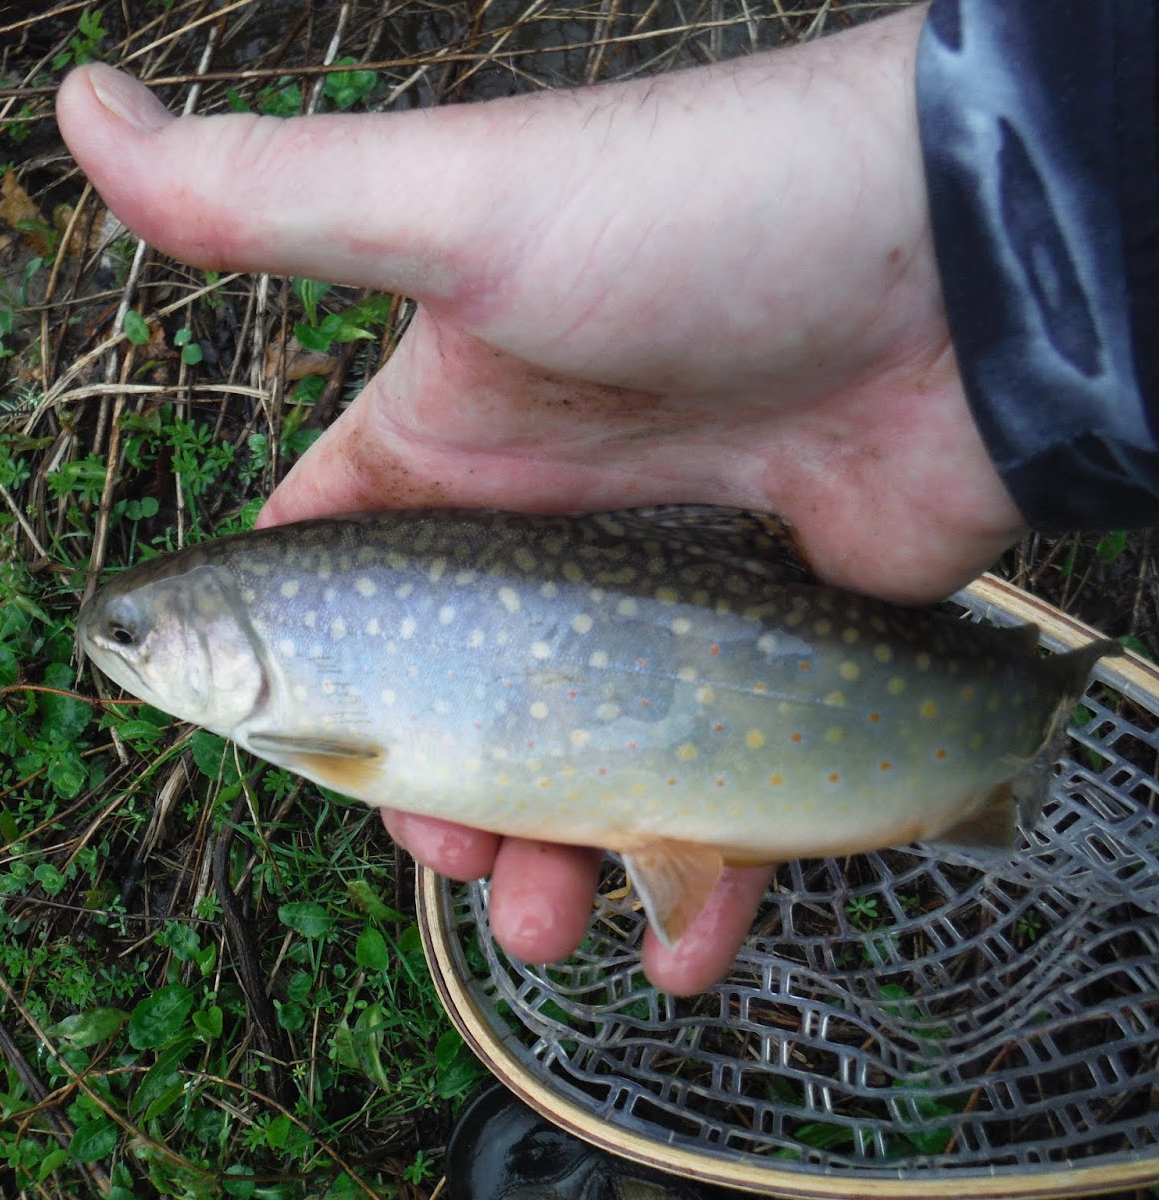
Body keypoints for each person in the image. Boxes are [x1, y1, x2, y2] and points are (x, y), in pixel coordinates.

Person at [57, 1, 1159, 996]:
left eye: (136, 633)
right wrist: (967, 247)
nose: (118, 639)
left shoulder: (314, 724)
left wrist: (959, 246)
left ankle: (1013, 727)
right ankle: (1003, 738)